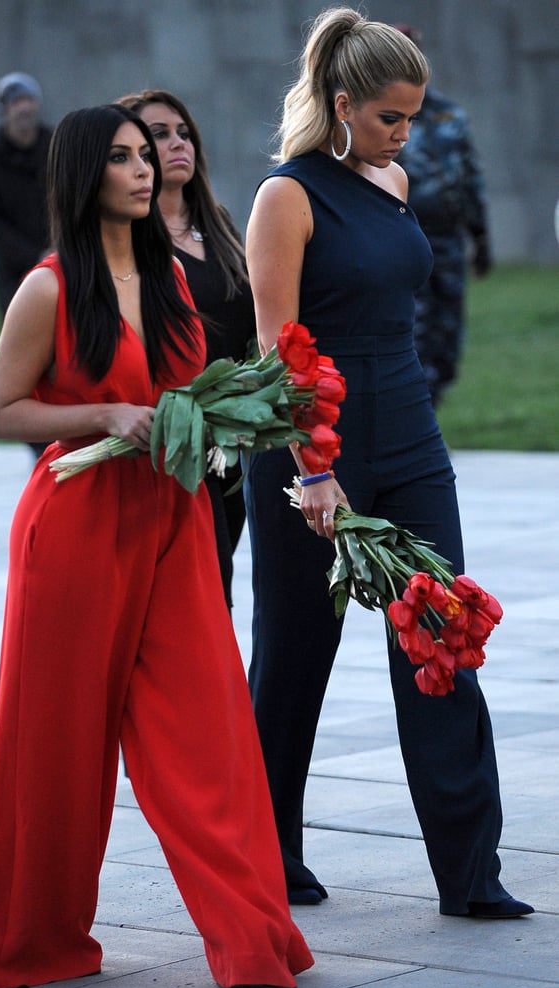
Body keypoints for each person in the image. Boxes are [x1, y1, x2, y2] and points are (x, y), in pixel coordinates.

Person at [0, 103, 313, 988]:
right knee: (56, 749)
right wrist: (102, 415)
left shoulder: (172, 281)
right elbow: (0, 412)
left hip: (176, 523)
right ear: (85, 174)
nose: (144, 169)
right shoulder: (48, 287)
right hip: (75, 529)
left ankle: (253, 944)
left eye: (146, 154)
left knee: (209, 738)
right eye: (121, 157)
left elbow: (188, 396)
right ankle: (28, 944)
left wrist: (242, 414)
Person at [244, 7, 533, 920]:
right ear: (341, 103)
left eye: (411, 115)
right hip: (311, 449)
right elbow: (278, 344)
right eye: (388, 117)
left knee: (443, 635)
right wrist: (313, 469)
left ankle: (470, 875)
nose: (404, 133)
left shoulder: (396, 179)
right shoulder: (285, 196)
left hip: (409, 432)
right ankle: (269, 858)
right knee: (295, 655)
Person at [117, 89, 255, 610]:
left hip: (232, 443)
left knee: (217, 584)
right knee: (196, 588)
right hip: (169, 447)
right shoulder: (129, 237)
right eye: (158, 135)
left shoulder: (217, 223)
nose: (177, 143)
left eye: (184, 133)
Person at [393, 25, 492, 408]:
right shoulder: (383, 119)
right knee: (414, 333)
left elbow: (470, 176)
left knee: (447, 336)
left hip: (450, 240)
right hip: (408, 240)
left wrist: (481, 238)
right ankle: (419, 418)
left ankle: (432, 408)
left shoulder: (448, 114)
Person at [0, 71, 53, 458]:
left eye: (28, 101)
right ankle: (39, 442)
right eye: (15, 103)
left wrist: (59, 249)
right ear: (5, 111)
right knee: (25, 360)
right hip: (16, 275)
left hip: (65, 261)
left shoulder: (55, 145)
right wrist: (32, 258)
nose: (24, 109)